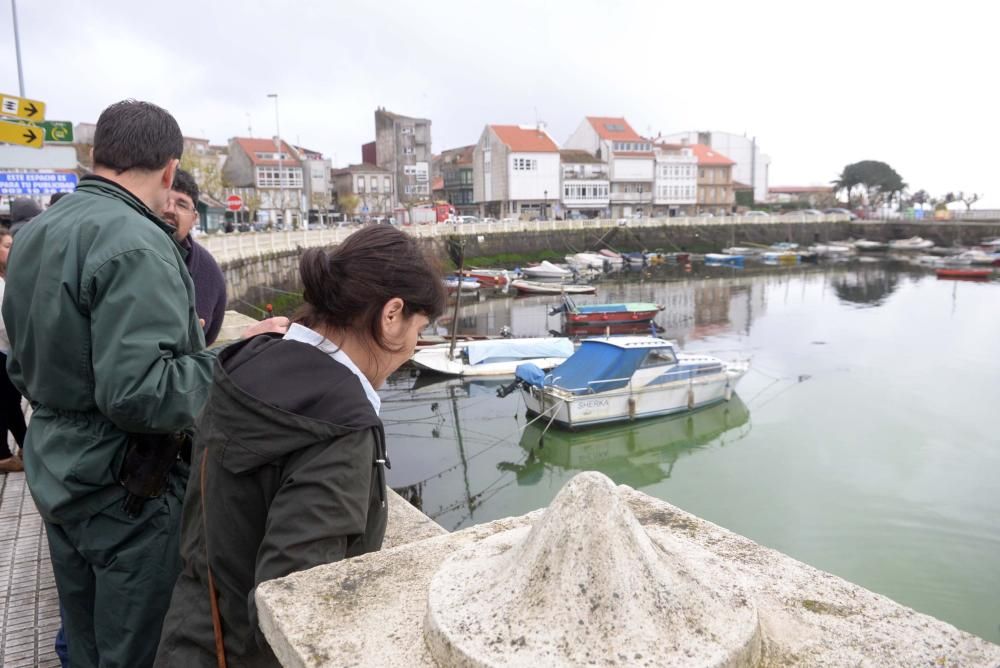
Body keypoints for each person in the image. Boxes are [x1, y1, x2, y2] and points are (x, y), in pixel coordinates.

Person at [2, 99, 288, 668]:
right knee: (134, 647)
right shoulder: (137, 243)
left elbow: (20, 359)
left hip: (56, 463)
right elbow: (142, 393)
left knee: (81, 637)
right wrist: (239, 353)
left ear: (96, 155)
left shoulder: (35, 233)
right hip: (124, 489)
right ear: (168, 168)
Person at [155, 225, 446, 667]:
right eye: (418, 328)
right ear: (391, 314)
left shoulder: (247, 358)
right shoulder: (338, 426)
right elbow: (295, 602)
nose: (414, 347)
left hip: (190, 629)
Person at [165, 168, 227, 345]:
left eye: (182, 204)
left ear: (194, 218)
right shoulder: (126, 256)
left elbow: (208, 341)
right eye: (163, 200)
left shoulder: (209, 273)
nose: (170, 209)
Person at [0, 229, 26, 472]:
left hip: (6, 351)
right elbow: (6, 324)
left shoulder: (7, 278)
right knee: (6, 402)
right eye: (7, 246)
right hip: (3, 351)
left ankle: (24, 446)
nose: (12, 249)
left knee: (11, 403)